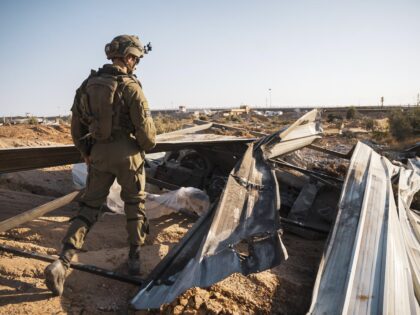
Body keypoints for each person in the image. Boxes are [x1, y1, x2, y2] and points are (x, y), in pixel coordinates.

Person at [44, 35, 156, 296]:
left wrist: (86, 152)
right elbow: (148, 138)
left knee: (89, 207)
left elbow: (76, 127)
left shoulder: (87, 85)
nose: (136, 64)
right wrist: (139, 146)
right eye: (136, 59)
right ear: (127, 57)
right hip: (128, 156)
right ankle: (135, 259)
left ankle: (62, 261)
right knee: (134, 204)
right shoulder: (132, 87)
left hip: (98, 155)